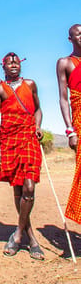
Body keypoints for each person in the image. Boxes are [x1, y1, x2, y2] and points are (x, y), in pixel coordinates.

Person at [0, 52, 44, 259]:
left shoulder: (30, 85)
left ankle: (19, 233)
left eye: (16, 62)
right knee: (18, 188)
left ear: (20, 66)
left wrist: (38, 126)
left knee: (29, 188)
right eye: (9, 63)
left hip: (29, 137)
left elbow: (38, 109)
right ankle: (31, 238)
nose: (13, 65)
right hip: (9, 140)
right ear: (3, 66)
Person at [56, 23, 81, 224]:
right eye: (78, 34)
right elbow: (63, 98)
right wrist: (70, 130)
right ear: (70, 38)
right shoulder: (65, 62)